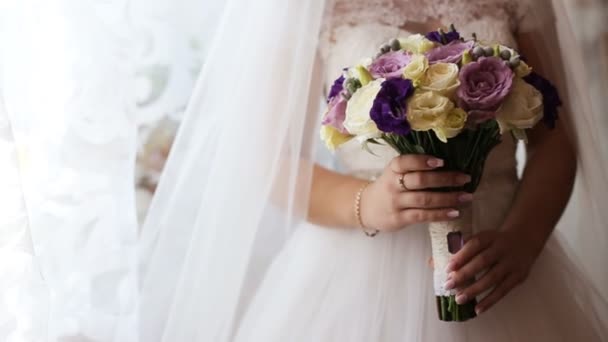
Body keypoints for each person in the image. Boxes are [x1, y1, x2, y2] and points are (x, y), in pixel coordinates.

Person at [139, 0, 608, 340]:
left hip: (496, 263)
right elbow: (267, 160)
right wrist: (368, 204)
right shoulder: (307, 8)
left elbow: (554, 142)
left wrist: (522, 242)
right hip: (355, 277)